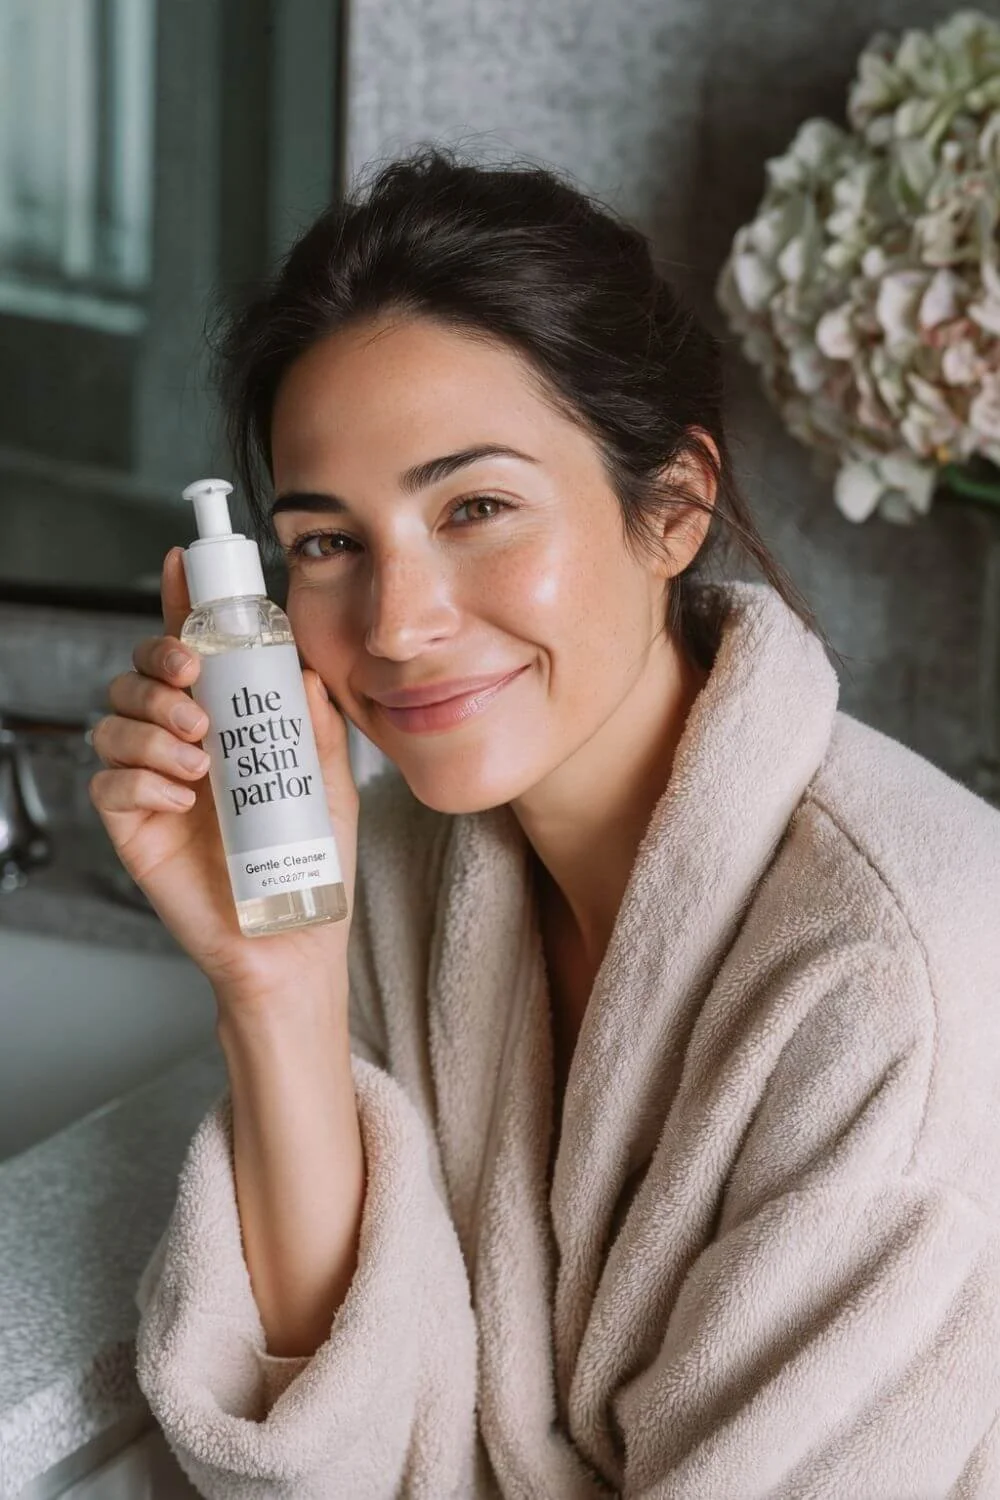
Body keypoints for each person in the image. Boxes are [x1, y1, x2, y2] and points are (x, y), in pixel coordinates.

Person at [89, 148, 1000, 1498]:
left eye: (476, 507)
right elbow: (331, 1465)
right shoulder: (398, 871)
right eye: (330, 541)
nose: (397, 624)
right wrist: (276, 979)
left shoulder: (897, 972)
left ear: (674, 508)